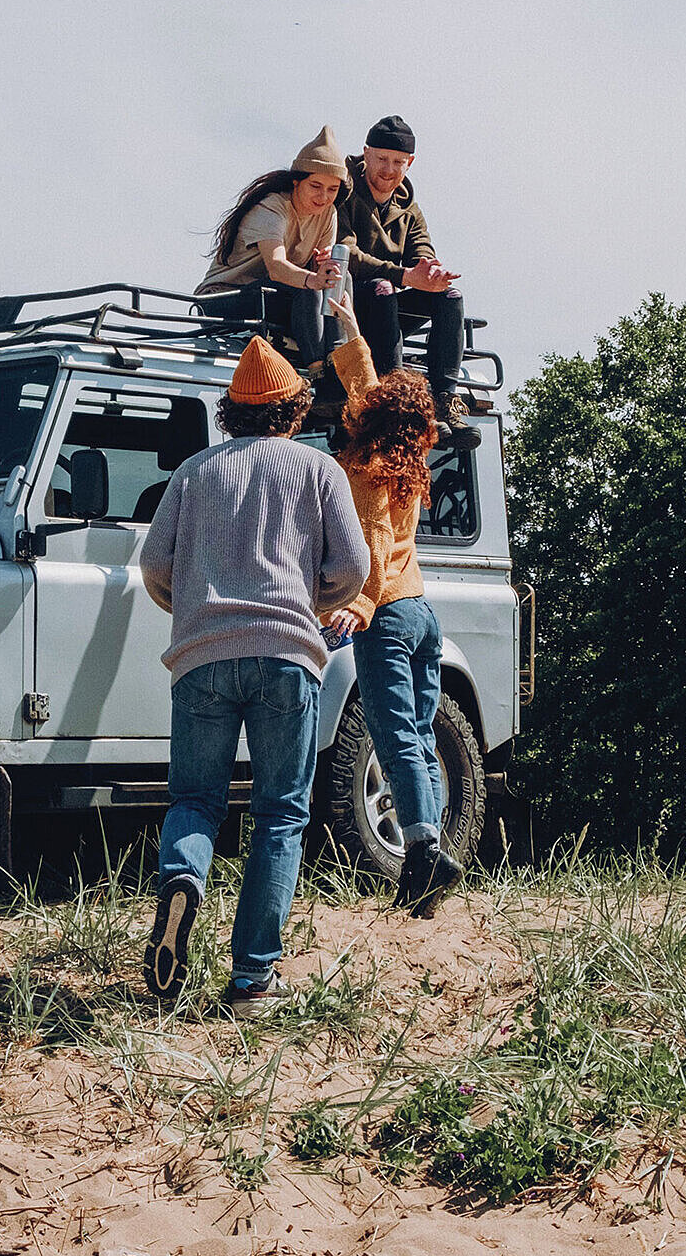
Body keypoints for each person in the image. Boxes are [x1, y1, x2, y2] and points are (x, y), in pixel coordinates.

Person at [139, 335, 369, 1013]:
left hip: (201, 657)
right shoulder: (317, 468)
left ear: (230, 412)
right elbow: (354, 567)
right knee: (279, 813)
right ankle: (251, 980)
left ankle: (183, 880)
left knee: (194, 799)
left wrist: (193, 607)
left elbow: (154, 565)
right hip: (287, 656)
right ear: (293, 410)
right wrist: (311, 601)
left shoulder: (194, 472)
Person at [324, 289, 465, 917]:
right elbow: (364, 384)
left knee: (395, 735)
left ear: (375, 415)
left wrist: (359, 602)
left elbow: (375, 541)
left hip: (385, 615)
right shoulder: (410, 456)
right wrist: (349, 322)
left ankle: (424, 849)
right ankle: (429, 860)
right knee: (421, 735)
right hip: (422, 613)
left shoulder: (367, 467)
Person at [332, 115, 474, 443]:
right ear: (366, 154)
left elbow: (421, 253)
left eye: (398, 162)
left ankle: (444, 402)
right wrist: (404, 275)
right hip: (349, 303)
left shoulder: (409, 206)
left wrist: (433, 274)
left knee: (449, 296)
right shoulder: (342, 191)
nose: (389, 169)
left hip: (388, 311)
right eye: (382, 159)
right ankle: (396, 399)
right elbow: (346, 254)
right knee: (383, 289)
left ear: (410, 162)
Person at [195, 126, 350, 389]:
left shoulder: (329, 214)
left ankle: (339, 361)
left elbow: (322, 278)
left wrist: (324, 267)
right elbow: (277, 268)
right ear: (296, 182)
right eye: (315, 186)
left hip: (278, 296)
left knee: (341, 277)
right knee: (309, 289)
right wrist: (314, 278)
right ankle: (318, 375)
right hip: (224, 298)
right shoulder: (272, 206)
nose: (323, 197)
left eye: (332, 189)